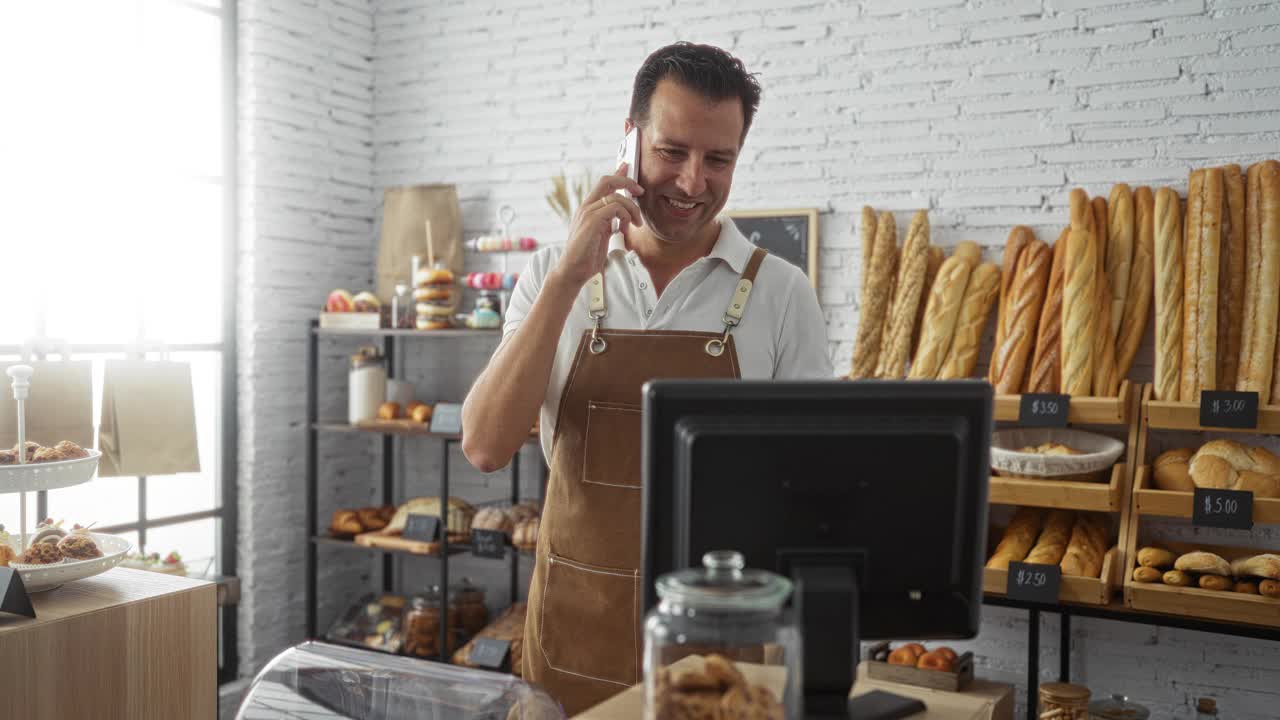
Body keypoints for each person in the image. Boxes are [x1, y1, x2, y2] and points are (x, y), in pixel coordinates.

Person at [461, 42, 832, 713]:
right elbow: (486, 445)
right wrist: (570, 278)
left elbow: (811, 491)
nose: (693, 182)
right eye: (672, 151)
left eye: (718, 159)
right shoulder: (551, 275)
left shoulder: (781, 294)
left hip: (719, 653)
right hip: (569, 640)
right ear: (629, 142)